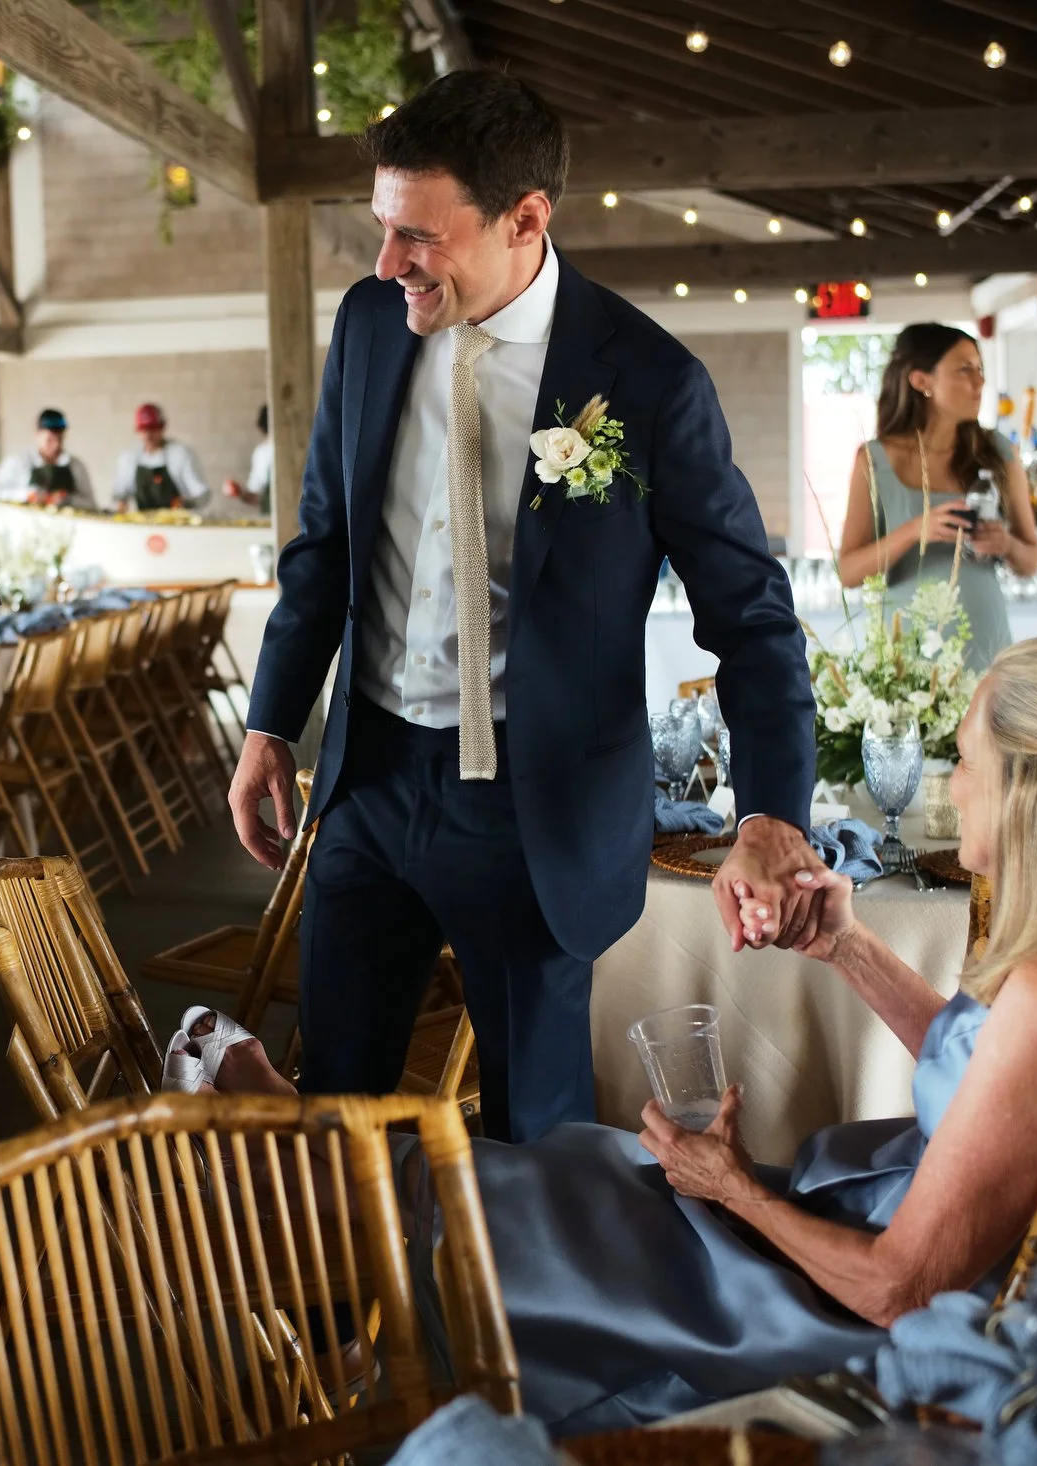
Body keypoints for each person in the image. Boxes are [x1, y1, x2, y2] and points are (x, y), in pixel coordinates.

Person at [189, 636, 1037, 1433]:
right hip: (877, 1235)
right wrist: (847, 947)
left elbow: (899, 1288)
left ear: (1035, 789)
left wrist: (731, 1185)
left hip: (844, 1312)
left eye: (963, 756)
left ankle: (275, 1211)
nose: (950, 776)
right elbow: (997, 1082)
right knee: (573, 1172)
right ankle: (306, 1183)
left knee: (524, 1213)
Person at [228, 71, 826, 1145]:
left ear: (526, 218)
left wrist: (770, 813)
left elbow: (752, 616)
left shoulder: (648, 381)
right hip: (366, 784)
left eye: (416, 235)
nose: (384, 263)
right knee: (338, 1106)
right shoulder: (370, 326)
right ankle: (356, 1315)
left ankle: (518, 1316)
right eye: (380, 227)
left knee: (532, 1134)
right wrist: (270, 719)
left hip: (530, 810)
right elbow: (322, 543)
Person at [835, 324, 1037, 670]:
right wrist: (916, 530)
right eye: (965, 370)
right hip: (906, 648)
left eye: (981, 370)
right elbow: (849, 572)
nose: (980, 382)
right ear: (922, 381)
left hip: (985, 639)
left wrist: (1005, 543)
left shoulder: (999, 452)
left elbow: (1031, 560)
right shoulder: (874, 460)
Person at [0, 406, 99, 509]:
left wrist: (68, 499)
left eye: (59, 439)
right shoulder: (18, 463)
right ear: (37, 434)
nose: (55, 445)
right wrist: (27, 495)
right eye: (49, 440)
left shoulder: (76, 466)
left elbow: (92, 504)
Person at [114, 402, 211, 510]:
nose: (148, 435)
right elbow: (120, 493)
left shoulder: (180, 454)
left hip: (177, 523)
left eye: (153, 429)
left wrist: (187, 503)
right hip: (143, 524)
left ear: (162, 427)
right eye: (144, 429)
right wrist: (121, 502)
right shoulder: (129, 457)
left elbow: (203, 494)